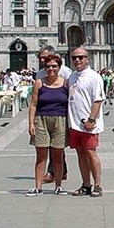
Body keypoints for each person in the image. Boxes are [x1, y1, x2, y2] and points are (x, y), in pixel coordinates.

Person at [26, 53, 69, 196]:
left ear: (59, 67)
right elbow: (33, 104)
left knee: (58, 155)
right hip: (41, 120)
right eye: (48, 66)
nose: (51, 69)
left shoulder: (66, 83)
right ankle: (38, 187)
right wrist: (31, 123)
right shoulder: (39, 82)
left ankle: (58, 186)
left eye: (54, 66)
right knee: (41, 156)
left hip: (60, 120)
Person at [67, 48, 106, 197]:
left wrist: (91, 120)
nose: (77, 60)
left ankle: (98, 185)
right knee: (80, 153)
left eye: (81, 57)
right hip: (75, 123)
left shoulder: (94, 77)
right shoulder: (72, 76)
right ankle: (86, 184)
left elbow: (98, 100)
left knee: (91, 153)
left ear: (87, 59)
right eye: (75, 57)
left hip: (89, 124)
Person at [35, 45, 72, 184]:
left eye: (45, 57)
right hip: (44, 115)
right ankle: (59, 172)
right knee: (50, 146)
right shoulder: (40, 74)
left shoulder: (66, 72)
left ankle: (54, 172)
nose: (43, 61)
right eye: (41, 59)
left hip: (61, 114)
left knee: (57, 146)